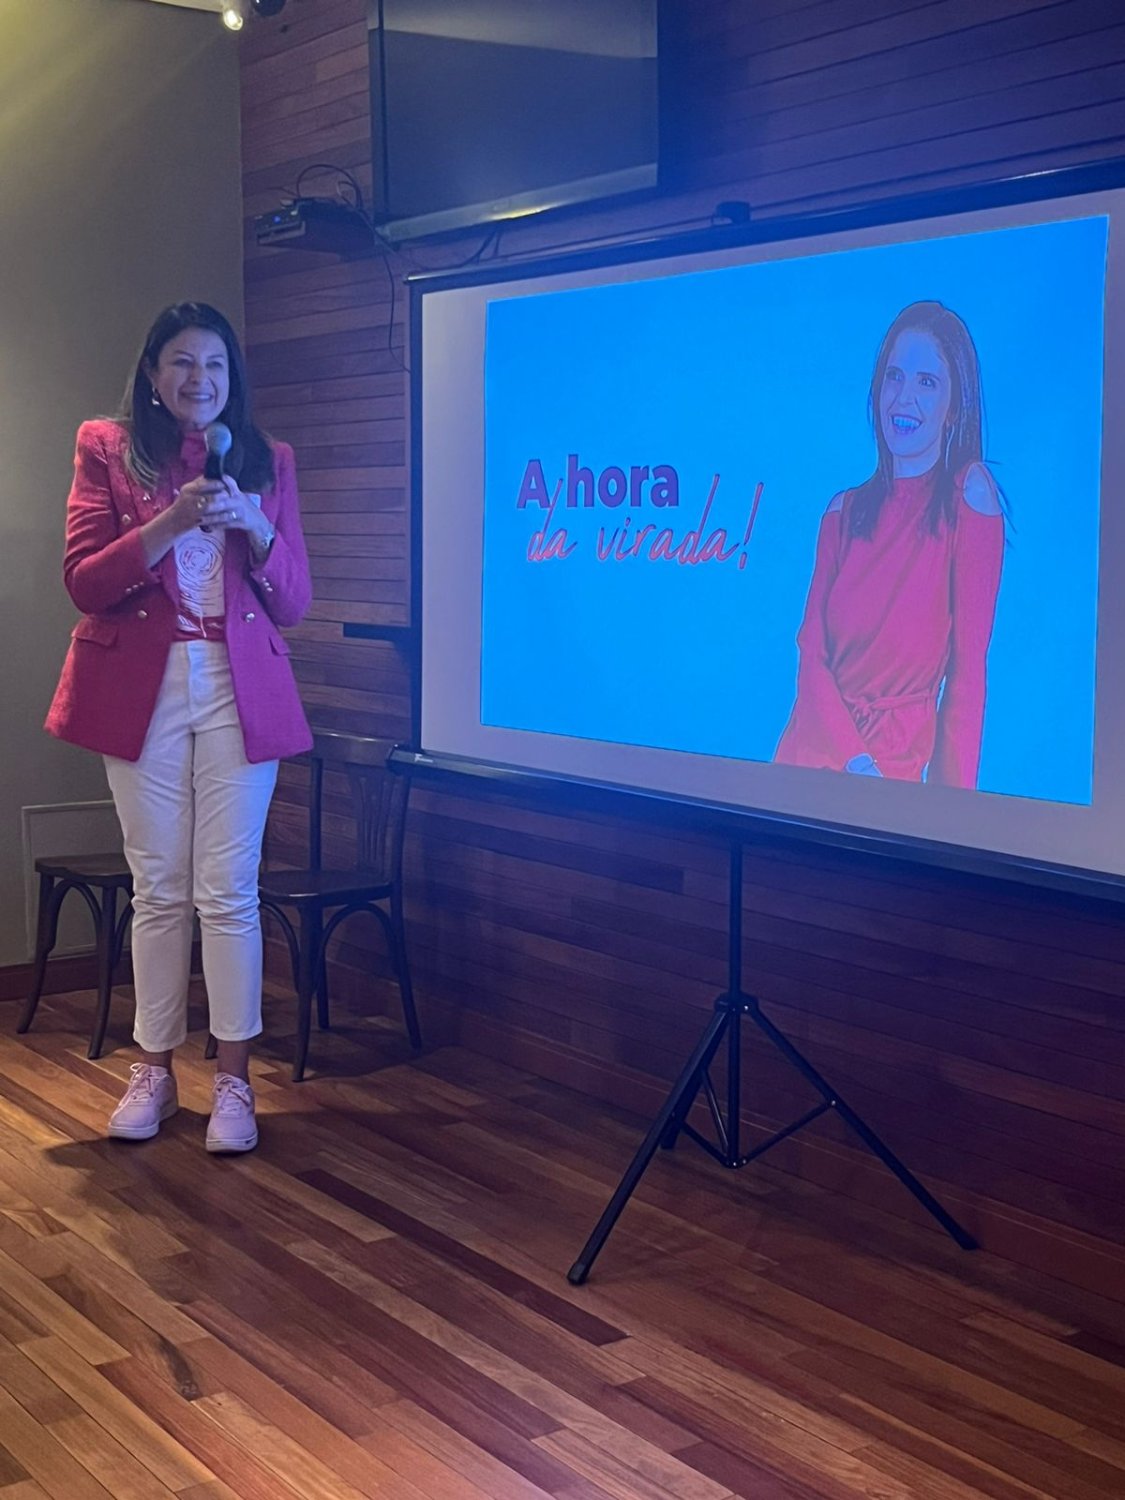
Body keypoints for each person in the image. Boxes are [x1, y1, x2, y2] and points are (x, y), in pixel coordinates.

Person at [45, 302, 313, 1151]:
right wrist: (170, 523)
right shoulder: (107, 447)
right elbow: (84, 582)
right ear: (154, 376)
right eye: (183, 363)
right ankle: (154, 1070)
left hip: (240, 687)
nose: (201, 379)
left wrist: (254, 525)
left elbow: (295, 601)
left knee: (227, 890)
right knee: (159, 886)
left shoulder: (268, 460)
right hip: (143, 687)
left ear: (233, 380)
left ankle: (234, 1082)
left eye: (216, 366)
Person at [774, 300, 1005, 788]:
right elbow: (811, 655)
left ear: (954, 407)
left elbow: (967, 677)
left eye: (927, 382)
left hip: (892, 777)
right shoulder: (842, 512)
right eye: (894, 377)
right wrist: (857, 763)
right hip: (810, 760)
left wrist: (951, 812)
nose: (903, 398)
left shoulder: (969, 496)